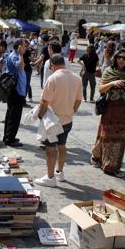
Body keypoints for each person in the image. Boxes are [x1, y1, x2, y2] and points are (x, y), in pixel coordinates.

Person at [91, 49, 125, 178]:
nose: (121, 60)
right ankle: (99, 158)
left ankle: (112, 167)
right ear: (115, 58)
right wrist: (112, 83)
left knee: (120, 139)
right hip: (110, 109)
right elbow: (101, 89)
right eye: (119, 57)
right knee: (105, 136)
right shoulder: (108, 71)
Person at [35, 54, 82, 187]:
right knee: (62, 146)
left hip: (53, 121)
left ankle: (50, 178)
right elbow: (79, 100)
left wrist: (40, 115)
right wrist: (71, 111)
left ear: (52, 65)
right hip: (67, 119)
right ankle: (59, 172)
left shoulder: (53, 78)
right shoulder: (76, 78)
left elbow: (44, 101)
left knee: (50, 149)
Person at [3, 39, 27, 147]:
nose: (25, 48)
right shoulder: (15, 56)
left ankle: (8, 136)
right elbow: (20, 67)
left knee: (12, 114)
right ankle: (9, 139)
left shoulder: (15, 55)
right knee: (14, 115)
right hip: (15, 90)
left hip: (17, 89)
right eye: (24, 46)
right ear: (19, 47)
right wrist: (21, 55)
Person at [23, 40, 34, 105]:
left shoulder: (26, 51)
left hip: (26, 69)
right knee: (27, 84)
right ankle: (28, 97)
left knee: (26, 84)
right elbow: (31, 59)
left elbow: (31, 59)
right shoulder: (27, 51)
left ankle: (27, 97)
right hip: (26, 69)